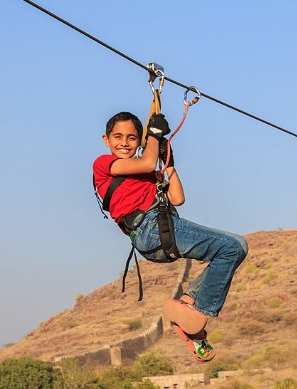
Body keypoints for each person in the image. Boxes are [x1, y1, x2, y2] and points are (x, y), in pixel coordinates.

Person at [93, 111, 248, 362]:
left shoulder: (148, 173)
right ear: (106, 140)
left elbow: (177, 198)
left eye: (132, 138)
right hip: (150, 229)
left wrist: (170, 164)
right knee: (231, 246)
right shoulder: (103, 164)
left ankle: (187, 310)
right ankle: (194, 308)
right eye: (118, 137)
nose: (124, 142)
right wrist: (153, 136)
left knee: (234, 247)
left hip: (161, 231)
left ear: (139, 141)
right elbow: (144, 162)